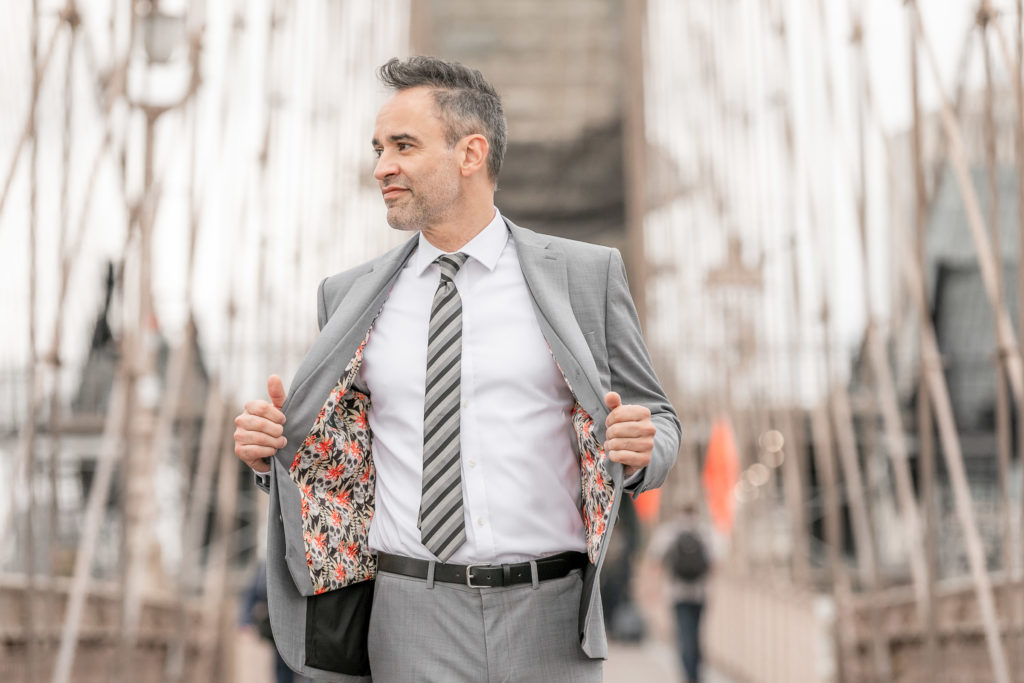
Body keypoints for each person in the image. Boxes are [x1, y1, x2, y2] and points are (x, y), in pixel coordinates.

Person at [232, 55, 680, 682]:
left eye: (404, 146)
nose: (381, 166)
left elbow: (656, 416)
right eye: (378, 148)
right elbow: (331, 449)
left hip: (551, 618)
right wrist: (267, 451)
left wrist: (644, 448)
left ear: (470, 154)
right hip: (408, 615)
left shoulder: (585, 276)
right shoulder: (347, 295)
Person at [649, 504, 712, 683]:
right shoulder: (704, 530)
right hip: (700, 593)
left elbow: (655, 560)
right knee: (697, 633)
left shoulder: (669, 531)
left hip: (676, 593)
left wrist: (654, 588)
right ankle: (696, 674)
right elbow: (715, 562)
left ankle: (688, 675)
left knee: (684, 635)